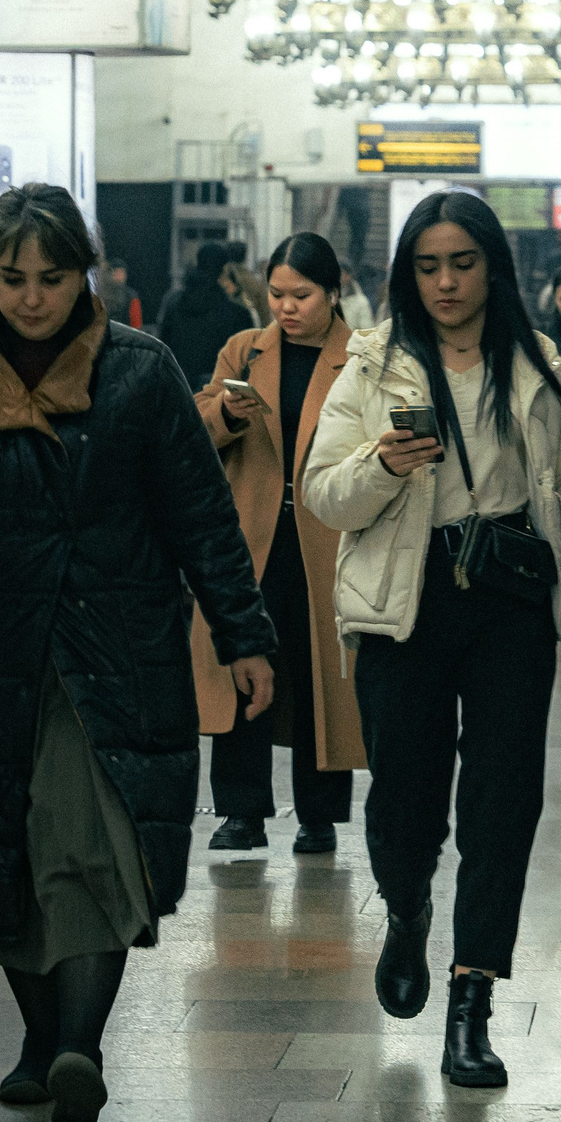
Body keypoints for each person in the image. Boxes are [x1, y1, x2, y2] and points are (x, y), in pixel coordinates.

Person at [0, 184, 275, 1122]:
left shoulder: (139, 372)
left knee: (91, 848)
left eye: (52, 276)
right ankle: (44, 1041)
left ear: (87, 272)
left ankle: (79, 1043)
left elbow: (200, 514)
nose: (32, 297)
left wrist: (242, 632)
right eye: (12, 278)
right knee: (4, 858)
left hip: (109, 659)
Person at [304, 192, 561, 1090]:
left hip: (510, 599)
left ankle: (472, 999)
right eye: (430, 265)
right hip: (407, 599)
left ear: (492, 267)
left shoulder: (538, 365)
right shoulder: (374, 366)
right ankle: (406, 908)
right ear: (410, 270)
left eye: (463, 263)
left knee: (503, 800)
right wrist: (381, 466)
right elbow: (322, 494)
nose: (446, 281)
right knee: (405, 794)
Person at [191, 233, 362, 856]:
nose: (287, 308)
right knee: (244, 663)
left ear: (334, 292)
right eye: (277, 293)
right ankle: (241, 810)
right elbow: (198, 423)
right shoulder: (244, 350)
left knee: (321, 672)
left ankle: (319, 815)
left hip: (326, 534)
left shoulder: (360, 356)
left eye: (303, 295)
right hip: (253, 534)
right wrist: (230, 415)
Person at [157, 241, 254, 388]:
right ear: (224, 269)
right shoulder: (238, 314)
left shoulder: (175, 305)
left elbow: (164, 349)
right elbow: (245, 364)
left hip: (181, 391)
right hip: (217, 396)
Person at [98, 259, 143, 329]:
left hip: (125, 335)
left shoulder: (131, 295)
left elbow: (136, 323)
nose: (120, 276)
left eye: (122, 272)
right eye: (116, 272)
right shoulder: (100, 295)